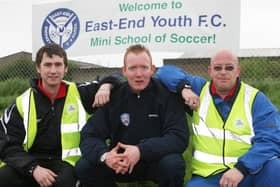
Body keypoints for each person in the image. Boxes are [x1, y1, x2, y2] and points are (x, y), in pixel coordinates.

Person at [0, 43, 121, 187]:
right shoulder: (21, 103)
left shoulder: (80, 93)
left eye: (58, 65)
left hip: (66, 161)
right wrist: (33, 168)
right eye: (48, 65)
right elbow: (6, 144)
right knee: (4, 177)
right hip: (31, 161)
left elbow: (118, 77)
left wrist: (106, 86)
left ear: (66, 68)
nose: (53, 70)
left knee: (64, 183)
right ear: (38, 68)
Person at [156, 49, 280, 187]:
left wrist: (241, 168)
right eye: (217, 68)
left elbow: (272, 138)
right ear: (210, 71)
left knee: (275, 167)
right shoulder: (199, 89)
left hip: (248, 173)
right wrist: (184, 89)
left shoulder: (255, 99)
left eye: (229, 68)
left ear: (237, 71)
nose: (223, 72)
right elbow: (164, 71)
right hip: (208, 177)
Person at [75, 44, 189, 187]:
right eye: (133, 68)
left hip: (153, 160)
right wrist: (106, 156)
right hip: (119, 162)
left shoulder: (166, 95)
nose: (138, 74)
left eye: (144, 67)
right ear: (124, 71)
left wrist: (140, 150)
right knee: (84, 166)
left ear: (152, 69)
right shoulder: (114, 96)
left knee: (173, 164)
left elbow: (178, 137)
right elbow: (89, 135)